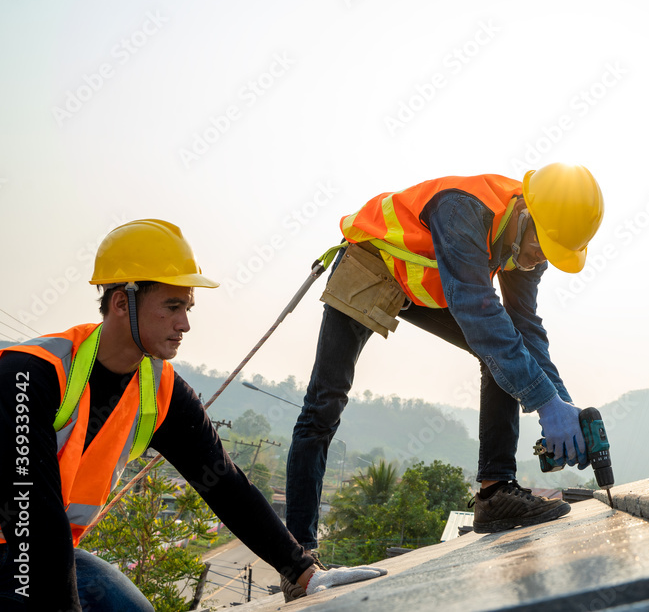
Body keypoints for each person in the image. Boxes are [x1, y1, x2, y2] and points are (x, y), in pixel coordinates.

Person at [0, 219, 386, 611]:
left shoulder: (160, 389)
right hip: (27, 544)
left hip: (47, 551)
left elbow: (226, 486)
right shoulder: (30, 374)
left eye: (186, 307)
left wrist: (306, 573)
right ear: (121, 302)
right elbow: (33, 511)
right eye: (172, 307)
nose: (184, 323)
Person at [285, 163, 605, 550]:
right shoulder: (463, 209)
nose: (540, 260)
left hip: (431, 282)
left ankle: (495, 493)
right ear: (524, 215)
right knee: (323, 404)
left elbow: (526, 330)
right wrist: (544, 402)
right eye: (541, 247)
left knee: (505, 352)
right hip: (373, 262)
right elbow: (479, 312)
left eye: (551, 255)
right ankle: (299, 551)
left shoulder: (529, 245)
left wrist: (562, 405)